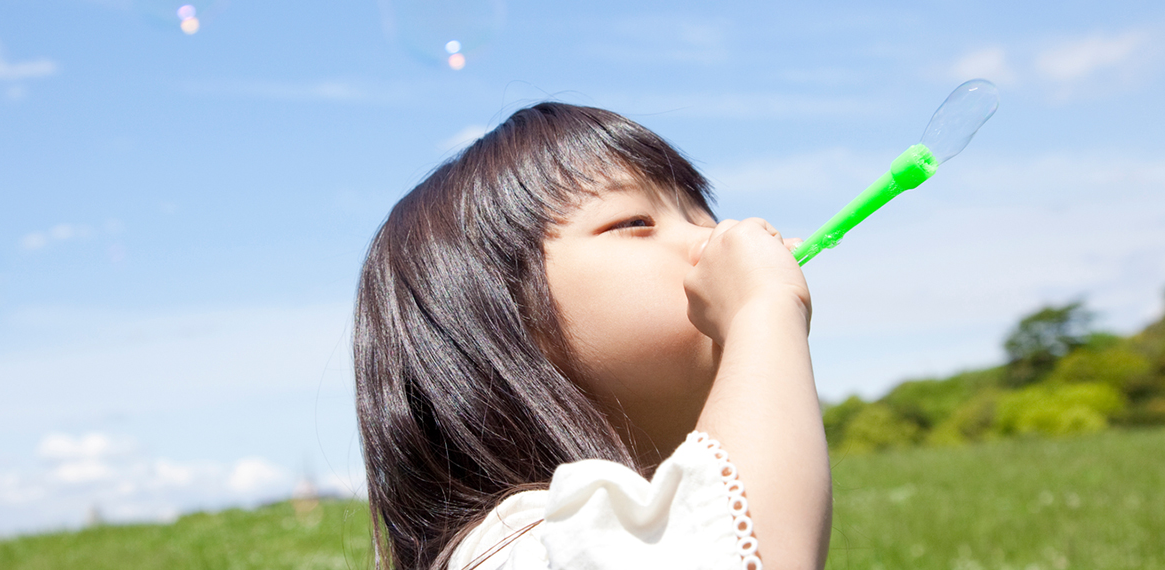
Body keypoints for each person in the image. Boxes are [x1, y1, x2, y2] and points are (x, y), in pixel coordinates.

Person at [355, 102, 832, 570]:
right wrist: (762, 307)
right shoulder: (509, 551)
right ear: (500, 319)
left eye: (703, 218)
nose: (720, 238)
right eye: (635, 223)